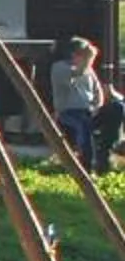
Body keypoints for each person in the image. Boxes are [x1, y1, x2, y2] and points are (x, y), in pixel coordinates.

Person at [50, 36, 116, 173]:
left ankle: (105, 153)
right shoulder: (59, 68)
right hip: (68, 112)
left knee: (117, 109)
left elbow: (98, 92)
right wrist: (89, 60)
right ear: (75, 54)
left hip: (89, 111)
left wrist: (97, 107)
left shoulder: (89, 70)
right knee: (83, 124)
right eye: (85, 54)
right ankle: (86, 166)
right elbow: (76, 74)